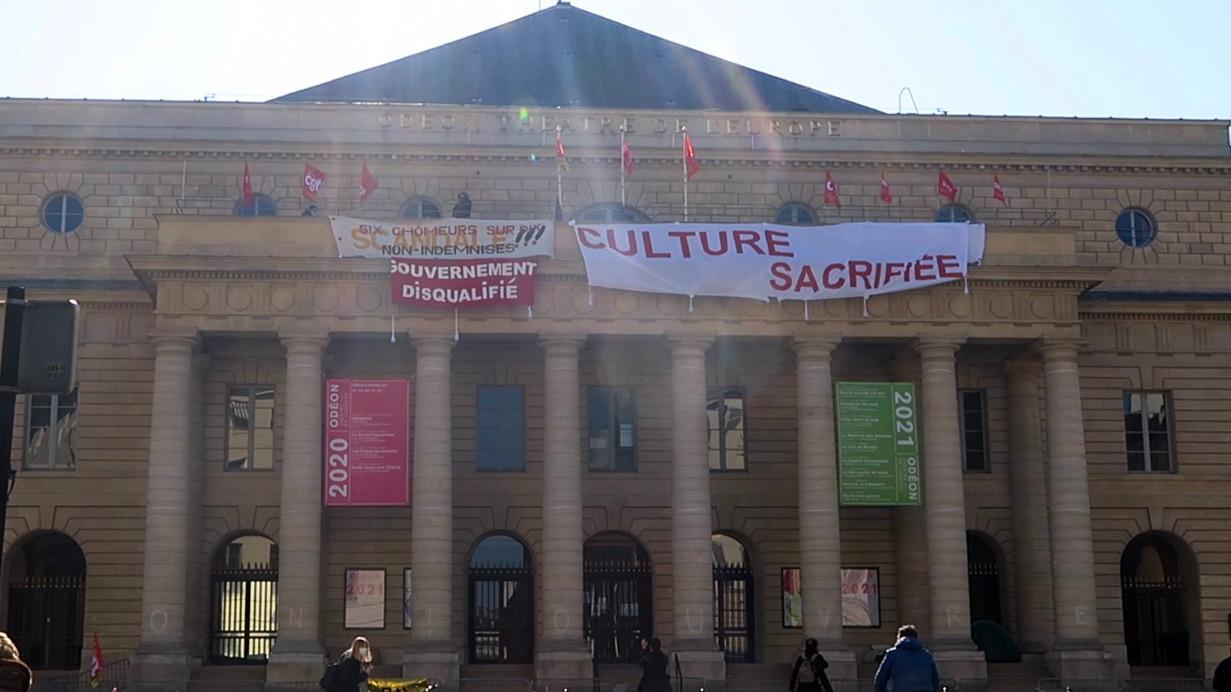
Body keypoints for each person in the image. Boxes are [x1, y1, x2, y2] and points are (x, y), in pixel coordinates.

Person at [874, 625, 940, 692]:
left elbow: (880, 680)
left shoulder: (892, 654)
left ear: (899, 638)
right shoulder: (926, 655)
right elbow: (935, 679)